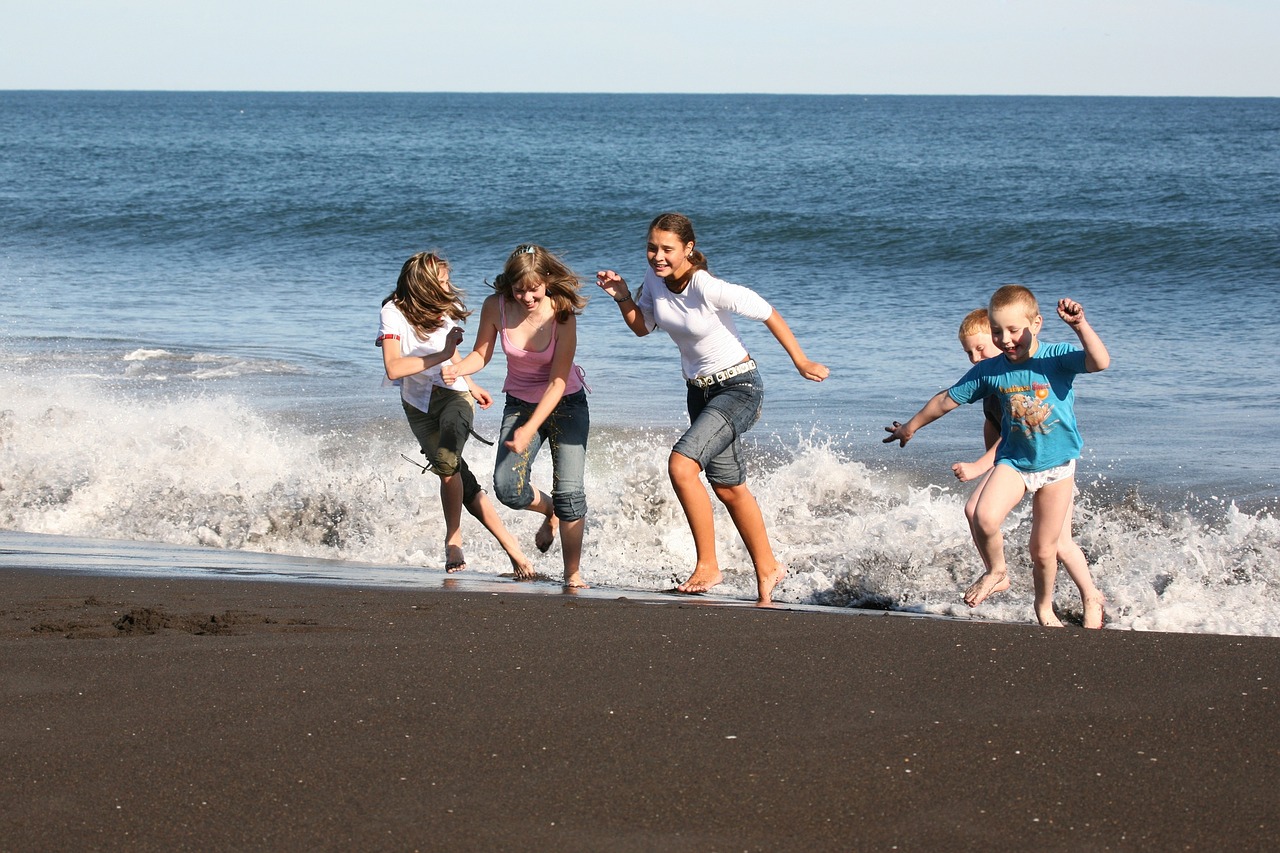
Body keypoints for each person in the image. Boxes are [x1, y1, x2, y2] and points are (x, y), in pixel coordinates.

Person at [595, 212, 829, 604]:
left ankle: (708, 566)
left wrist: (801, 361)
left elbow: (766, 310)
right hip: (699, 393)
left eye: (667, 249)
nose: (657, 256)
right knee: (730, 489)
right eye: (652, 247)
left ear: (688, 248)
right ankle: (769, 568)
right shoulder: (653, 281)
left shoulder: (707, 287)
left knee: (681, 465)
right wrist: (622, 295)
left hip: (738, 388)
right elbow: (643, 327)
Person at [884, 286, 1109, 628]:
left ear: (1037, 323)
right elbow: (946, 399)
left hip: (1058, 467)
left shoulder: (1056, 357)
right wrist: (911, 427)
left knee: (1045, 550)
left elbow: (1099, 362)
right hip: (1016, 462)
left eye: (1014, 330)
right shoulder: (991, 371)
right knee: (983, 515)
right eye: (997, 331)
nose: (1005, 339)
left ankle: (1045, 608)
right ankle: (997, 570)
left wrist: (1080, 326)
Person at [377, 250, 534, 578]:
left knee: (447, 463)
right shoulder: (393, 311)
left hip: (454, 395)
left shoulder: (443, 306)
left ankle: (453, 539)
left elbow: (452, 349)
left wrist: (470, 382)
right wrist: (444, 354)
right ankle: (514, 550)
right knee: (460, 479)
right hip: (417, 403)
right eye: (443, 283)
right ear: (423, 286)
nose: (449, 289)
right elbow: (394, 368)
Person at [443, 244, 591, 588]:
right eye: (519, 289)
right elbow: (481, 353)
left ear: (547, 282)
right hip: (520, 403)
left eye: (534, 289)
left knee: (571, 494)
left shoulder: (561, 312)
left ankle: (572, 574)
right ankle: (549, 510)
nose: (526, 297)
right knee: (507, 489)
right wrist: (459, 369)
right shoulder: (495, 306)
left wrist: (529, 431)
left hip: (566, 404)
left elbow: (556, 382)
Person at [950, 307, 1105, 629]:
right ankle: (998, 573)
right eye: (968, 352)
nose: (975, 357)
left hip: (1052, 464)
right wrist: (994, 467)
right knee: (974, 510)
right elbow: (996, 434)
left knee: (1060, 544)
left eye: (981, 348)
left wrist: (980, 466)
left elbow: (1011, 433)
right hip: (1019, 465)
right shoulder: (991, 382)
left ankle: (1091, 595)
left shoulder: (1015, 376)